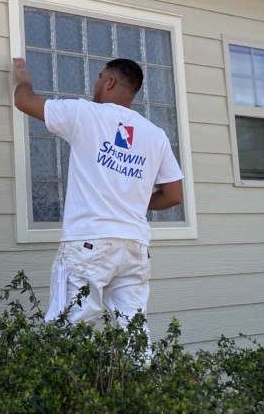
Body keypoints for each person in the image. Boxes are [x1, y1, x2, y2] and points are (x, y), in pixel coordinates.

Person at [11, 57, 184, 326]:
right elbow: (174, 195)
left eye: (99, 77)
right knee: (133, 331)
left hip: (89, 241)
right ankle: (142, 368)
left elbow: (24, 101)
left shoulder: (86, 114)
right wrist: (132, 200)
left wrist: (24, 80)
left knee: (71, 328)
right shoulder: (155, 135)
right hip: (135, 247)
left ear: (110, 81)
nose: (96, 83)